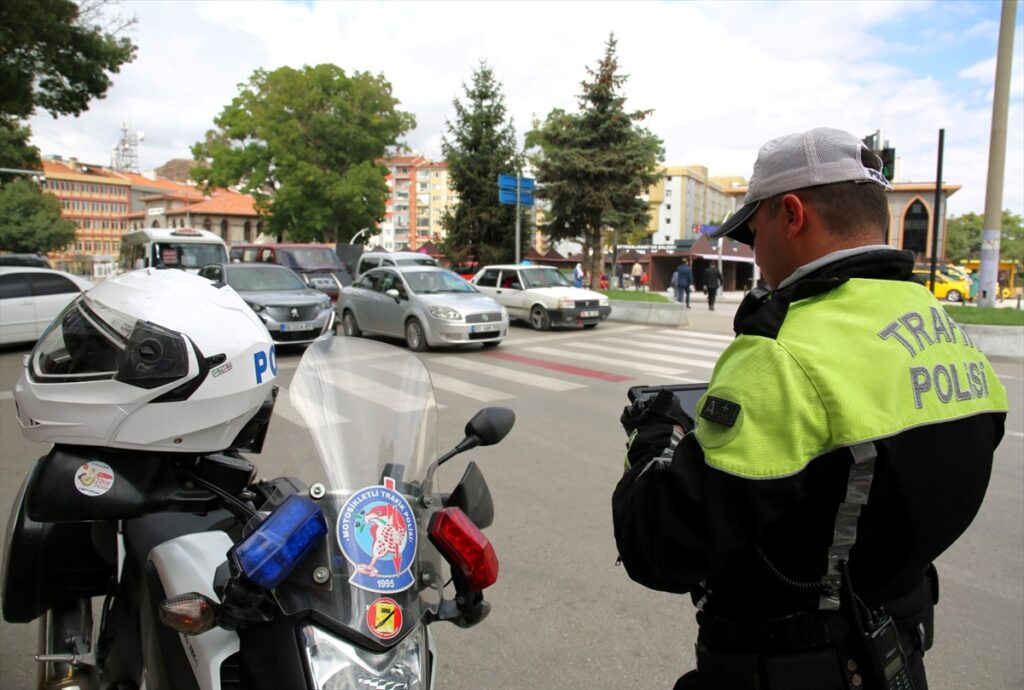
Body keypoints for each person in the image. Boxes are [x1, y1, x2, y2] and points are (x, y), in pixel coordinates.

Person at [612, 128, 1007, 690]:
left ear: (790, 215)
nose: (755, 253)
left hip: (789, 668)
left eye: (753, 232)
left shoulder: (785, 351)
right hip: (895, 650)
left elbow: (658, 548)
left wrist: (656, 436)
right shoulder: (948, 329)